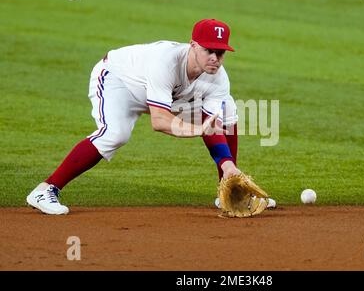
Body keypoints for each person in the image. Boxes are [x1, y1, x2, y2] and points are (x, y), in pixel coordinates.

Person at [26, 19, 275, 215]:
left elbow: (214, 125)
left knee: (228, 109)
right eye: (210, 50)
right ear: (193, 45)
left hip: (171, 94)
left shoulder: (217, 77)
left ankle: (228, 195)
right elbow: (160, 121)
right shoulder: (165, 62)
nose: (215, 58)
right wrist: (198, 130)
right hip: (119, 82)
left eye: (221, 53)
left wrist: (227, 164)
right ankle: (46, 189)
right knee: (115, 134)